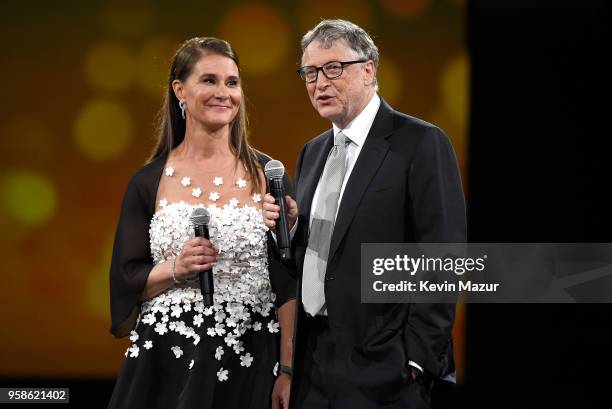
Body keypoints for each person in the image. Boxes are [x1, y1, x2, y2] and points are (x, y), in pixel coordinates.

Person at [263, 20, 466, 409]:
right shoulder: (313, 152)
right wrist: (289, 230)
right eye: (310, 72)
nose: (320, 83)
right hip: (314, 363)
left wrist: (416, 359)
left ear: (369, 69)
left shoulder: (420, 142)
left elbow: (443, 257)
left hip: (386, 367)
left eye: (333, 68)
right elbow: (325, 251)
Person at [108, 37, 296, 409]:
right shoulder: (148, 181)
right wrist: (176, 268)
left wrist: (287, 369)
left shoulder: (269, 175)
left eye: (232, 82)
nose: (223, 93)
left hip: (250, 356)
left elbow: (287, 282)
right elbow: (127, 280)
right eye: (209, 80)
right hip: (168, 357)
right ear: (180, 89)